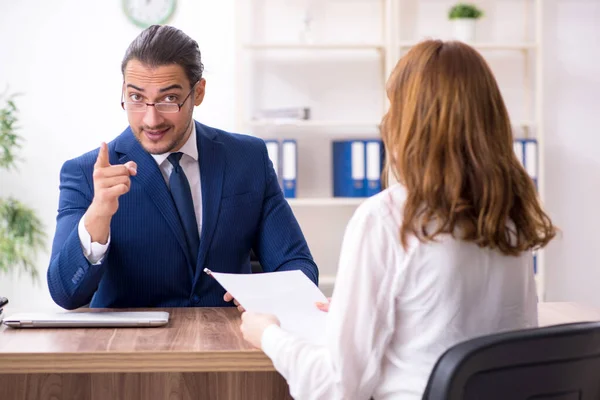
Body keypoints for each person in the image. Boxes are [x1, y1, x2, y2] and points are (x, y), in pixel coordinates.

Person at [239, 40, 556, 399]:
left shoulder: (386, 218)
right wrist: (356, 309)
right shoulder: (509, 219)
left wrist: (268, 334)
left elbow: (337, 387)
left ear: (408, 122)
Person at [47, 25, 318, 310]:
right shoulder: (86, 174)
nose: (151, 120)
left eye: (169, 99)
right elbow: (65, 294)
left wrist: (269, 294)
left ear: (198, 92)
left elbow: (297, 265)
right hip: (130, 350)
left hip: (230, 344)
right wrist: (98, 214)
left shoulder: (248, 158)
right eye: (137, 98)